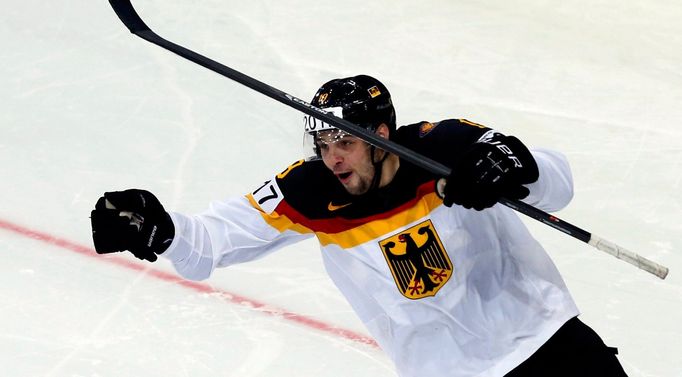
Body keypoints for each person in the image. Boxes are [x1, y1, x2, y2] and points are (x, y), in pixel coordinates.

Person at [90, 75, 627, 377]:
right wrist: (160, 230)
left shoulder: (445, 146)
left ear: (382, 133)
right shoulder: (307, 190)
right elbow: (212, 241)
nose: (333, 158)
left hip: (546, 342)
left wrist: (516, 162)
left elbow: (554, 181)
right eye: (322, 144)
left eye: (345, 142)